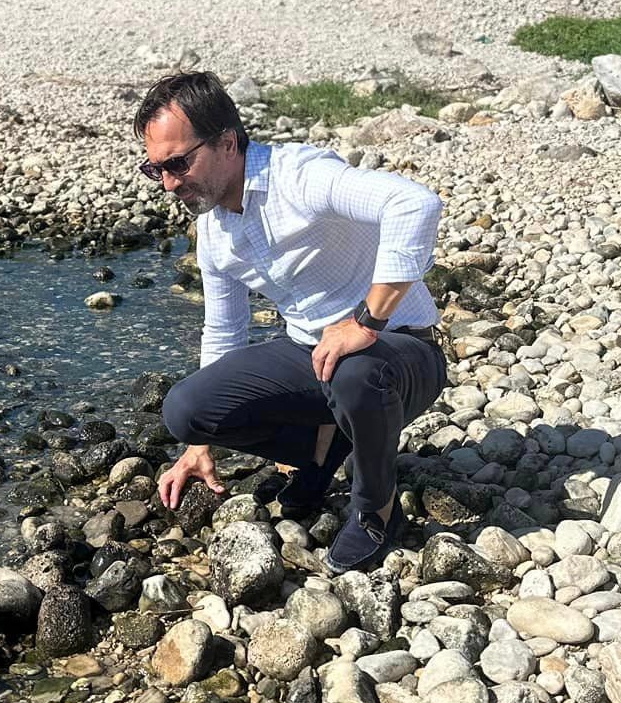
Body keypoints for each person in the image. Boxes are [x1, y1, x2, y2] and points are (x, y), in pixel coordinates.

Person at [139, 71, 447, 574]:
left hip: (402, 354)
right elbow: (224, 333)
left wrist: (367, 322)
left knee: (355, 372)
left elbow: (415, 203)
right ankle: (323, 447)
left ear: (227, 143)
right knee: (185, 409)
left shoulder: (300, 177)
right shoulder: (214, 230)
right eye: (156, 170)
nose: (170, 183)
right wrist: (199, 446)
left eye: (178, 163)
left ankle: (377, 509)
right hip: (315, 357)